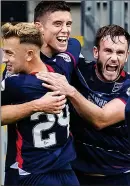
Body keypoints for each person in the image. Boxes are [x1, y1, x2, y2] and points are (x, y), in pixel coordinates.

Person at [36, 24, 130, 186]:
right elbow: (69, 44)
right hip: (75, 175)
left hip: (117, 177)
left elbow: (101, 119)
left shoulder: (128, 86)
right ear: (96, 52)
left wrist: (70, 91)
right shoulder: (80, 71)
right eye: (108, 51)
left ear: (127, 56)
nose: (114, 58)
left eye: (120, 52)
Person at [1, 1, 81, 185]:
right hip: (27, 168)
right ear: (39, 27)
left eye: (68, 24)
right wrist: (36, 105)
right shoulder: (16, 73)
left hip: (64, 165)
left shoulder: (64, 61)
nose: (66, 31)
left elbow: (74, 44)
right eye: (58, 24)